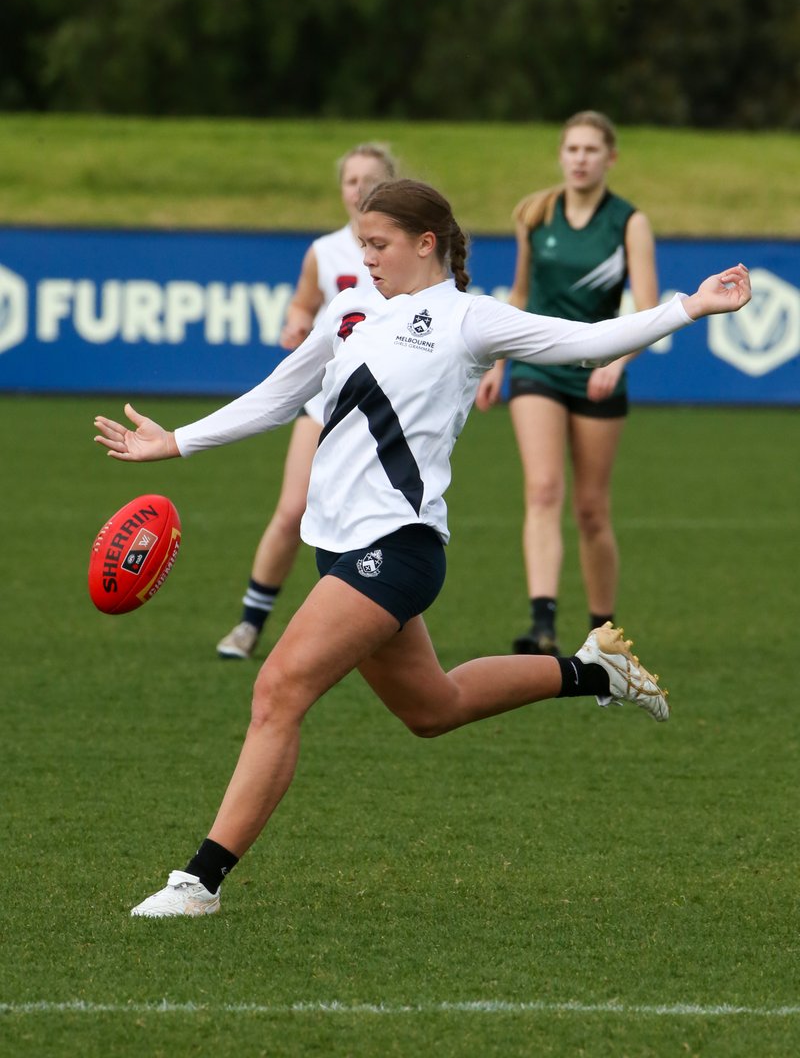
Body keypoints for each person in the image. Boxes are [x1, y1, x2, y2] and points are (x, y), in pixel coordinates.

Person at [93, 178, 751, 918]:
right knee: (433, 707)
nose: (365, 256)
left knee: (278, 690)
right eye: (361, 241)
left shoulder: (469, 321)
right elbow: (280, 394)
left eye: (378, 244)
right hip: (338, 549)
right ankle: (593, 672)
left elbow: (586, 342)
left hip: (399, 549)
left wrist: (690, 306)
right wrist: (176, 442)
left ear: (425, 243)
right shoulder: (347, 310)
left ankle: (199, 882)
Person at [476, 111, 658, 659]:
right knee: (542, 490)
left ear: (610, 158)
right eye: (572, 149)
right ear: (561, 154)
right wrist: (498, 363)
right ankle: (541, 624)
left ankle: (604, 634)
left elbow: (647, 310)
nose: (580, 158)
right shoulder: (535, 214)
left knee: (591, 510)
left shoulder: (629, 223)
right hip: (537, 368)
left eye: (591, 150)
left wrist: (617, 361)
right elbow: (521, 293)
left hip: (598, 372)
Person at [216, 141, 397, 660]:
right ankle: (249, 623)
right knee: (293, 508)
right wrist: (296, 321)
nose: (359, 188)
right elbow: (303, 304)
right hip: (329, 399)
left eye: (371, 179)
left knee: (383, 519)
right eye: (350, 180)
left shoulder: (411, 250)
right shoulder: (325, 250)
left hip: (390, 409)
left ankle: (377, 622)